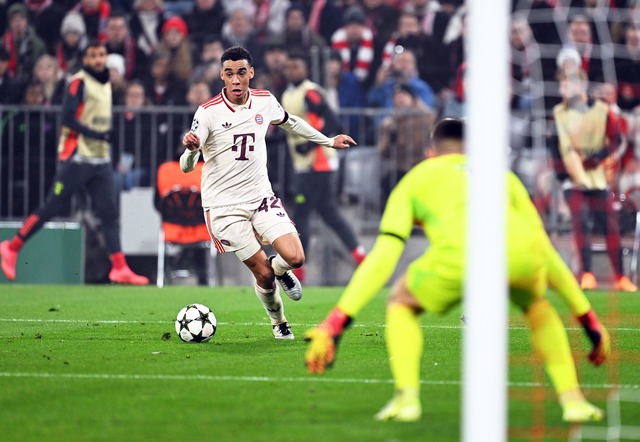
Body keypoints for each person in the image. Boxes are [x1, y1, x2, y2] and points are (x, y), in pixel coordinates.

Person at [304, 118, 610, 424]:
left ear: (431, 150)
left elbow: (385, 255)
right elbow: (543, 248)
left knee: (401, 302)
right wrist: (587, 317)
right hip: (520, 258)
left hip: (460, 257)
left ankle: (407, 399)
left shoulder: (417, 177)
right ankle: (573, 401)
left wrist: (336, 322)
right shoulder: (503, 177)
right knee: (537, 306)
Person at [181, 46, 356, 339]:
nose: (235, 80)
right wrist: (189, 151)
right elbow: (186, 166)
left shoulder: (264, 100)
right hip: (224, 207)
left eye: (240, 73)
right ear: (222, 77)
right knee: (262, 274)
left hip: (261, 198)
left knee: (296, 257)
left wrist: (327, 141)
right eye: (228, 74)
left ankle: (281, 269)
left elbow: (291, 123)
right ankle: (279, 322)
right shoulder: (208, 112)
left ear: (251, 73)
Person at [0, 40, 149, 286]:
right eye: (93, 56)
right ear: (85, 59)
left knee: (108, 213)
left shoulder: (106, 84)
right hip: (77, 157)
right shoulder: (79, 82)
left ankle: (120, 267)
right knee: (52, 206)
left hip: (99, 160)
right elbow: (67, 118)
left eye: (102, 55)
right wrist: (96, 134)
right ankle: (12, 247)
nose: (99, 60)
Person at [281, 51, 366, 282]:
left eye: (296, 66)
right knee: (328, 212)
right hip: (306, 164)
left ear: (306, 69)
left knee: (302, 213)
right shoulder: (289, 93)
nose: (291, 71)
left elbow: (333, 122)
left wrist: (309, 146)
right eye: (289, 67)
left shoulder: (309, 92)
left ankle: (299, 270)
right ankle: (359, 254)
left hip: (316, 162)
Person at [553, 69, 637, 292]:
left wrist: (598, 157)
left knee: (610, 226)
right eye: (561, 86)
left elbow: (615, 139)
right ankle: (587, 274)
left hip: (599, 179)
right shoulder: (559, 112)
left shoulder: (602, 111)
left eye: (565, 85)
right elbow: (556, 145)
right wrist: (563, 173)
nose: (562, 90)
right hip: (573, 181)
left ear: (580, 86)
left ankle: (621, 277)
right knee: (581, 224)